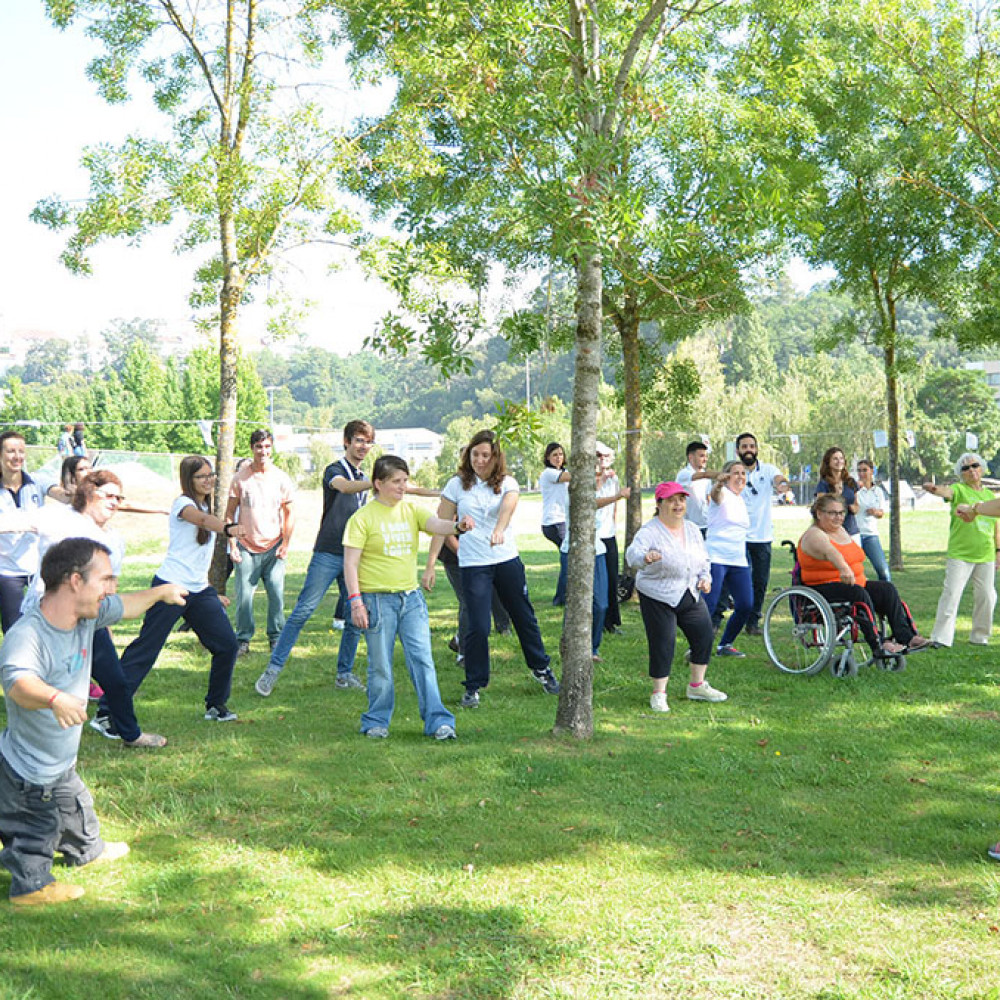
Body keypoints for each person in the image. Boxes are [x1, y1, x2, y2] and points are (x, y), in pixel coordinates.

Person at [0, 537, 186, 905]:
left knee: (76, 808)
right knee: (34, 829)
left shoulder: (88, 616)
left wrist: (160, 593)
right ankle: (32, 887)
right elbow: (18, 684)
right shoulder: (28, 634)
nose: (112, 589)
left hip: (60, 763)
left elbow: (126, 606)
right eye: (106, 579)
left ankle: (87, 850)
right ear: (74, 581)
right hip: (28, 772)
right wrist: (54, 698)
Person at [6, 470, 169, 748]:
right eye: (109, 495)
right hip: (47, 618)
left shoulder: (115, 541)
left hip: (87, 621)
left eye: (119, 497)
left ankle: (130, 734)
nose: (115, 502)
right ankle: (25, 743)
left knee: (115, 680)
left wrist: (104, 620)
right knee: (35, 681)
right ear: (89, 492)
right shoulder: (58, 517)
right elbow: (14, 521)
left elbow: (109, 591)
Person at [427, 430, 560, 708]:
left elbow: (508, 508)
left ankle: (541, 669)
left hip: (506, 559)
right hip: (474, 563)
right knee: (477, 625)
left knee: (523, 615)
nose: (480, 460)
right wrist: (430, 565)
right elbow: (440, 523)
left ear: (495, 457)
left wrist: (499, 530)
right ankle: (473, 685)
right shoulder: (456, 485)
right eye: (475, 454)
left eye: (486, 455)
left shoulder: (508, 482)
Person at [343, 455, 473, 740]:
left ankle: (438, 721)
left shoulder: (411, 510)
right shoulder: (362, 519)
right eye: (396, 482)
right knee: (380, 665)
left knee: (422, 660)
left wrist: (457, 527)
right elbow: (350, 564)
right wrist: (356, 602)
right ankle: (376, 721)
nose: (403, 487)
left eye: (405, 481)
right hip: (377, 601)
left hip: (411, 599)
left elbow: (436, 524)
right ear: (378, 483)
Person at [115, 456, 245, 723]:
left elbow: (197, 552)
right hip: (170, 587)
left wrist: (210, 592)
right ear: (189, 479)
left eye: (211, 475)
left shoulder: (204, 504)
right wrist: (229, 528)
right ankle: (108, 710)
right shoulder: (183, 504)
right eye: (202, 476)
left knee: (227, 646)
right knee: (147, 649)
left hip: (198, 590)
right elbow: (203, 521)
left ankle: (216, 705)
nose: (209, 480)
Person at [254, 421, 373, 696]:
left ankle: (344, 674)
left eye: (368, 442)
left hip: (353, 556)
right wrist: (377, 482)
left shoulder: (363, 475)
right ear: (346, 442)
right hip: (328, 553)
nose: (363, 447)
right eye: (358, 440)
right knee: (303, 611)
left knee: (356, 614)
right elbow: (343, 487)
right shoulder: (335, 470)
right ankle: (272, 670)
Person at [625, 482, 727, 712]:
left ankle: (697, 686)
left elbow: (704, 559)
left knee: (704, 635)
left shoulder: (691, 529)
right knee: (664, 641)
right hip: (657, 594)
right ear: (659, 504)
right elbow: (632, 555)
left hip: (689, 591)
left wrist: (706, 578)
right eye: (671, 500)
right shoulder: (650, 531)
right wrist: (645, 557)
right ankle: (659, 693)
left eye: (681, 499)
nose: (678, 504)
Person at [797, 493, 930, 657]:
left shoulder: (841, 530)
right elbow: (832, 552)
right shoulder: (814, 534)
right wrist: (844, 568)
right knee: (858, 593)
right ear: (819, 513)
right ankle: (878, 644)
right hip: (823, 588)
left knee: (886, 589)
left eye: (841, 513)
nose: (838, 517)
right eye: (832, 513)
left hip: (854, 584)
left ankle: (907, 637)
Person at [225, 428, 296, 656]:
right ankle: (243, 640)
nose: (263, 451)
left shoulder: (281, 478)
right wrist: (233, 545)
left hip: (274, 547)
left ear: (271, 447)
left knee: (276, 594)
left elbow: (289, 513)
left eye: (266, 446)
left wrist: (285, 543)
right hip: (246, 546)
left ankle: (276, 638)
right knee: (244, 597)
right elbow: (229, 515)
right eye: (258, 446)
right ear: (252, 448)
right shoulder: (240, 479)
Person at [924, 453, 998, 647]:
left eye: (974, 465)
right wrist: (935, 490)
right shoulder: (959, 489)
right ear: (960, 474)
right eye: (965, 468)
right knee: (952, 594)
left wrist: (998, 550)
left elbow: (997, 526)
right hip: (960, 554)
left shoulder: (990, 496)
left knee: (987, 596)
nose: (971, 470)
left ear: (981, 468)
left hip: (986, 554)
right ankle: (940, 638)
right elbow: (946, 492)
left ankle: (980, 636)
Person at [736, 432, 792, 636]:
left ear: (757, 449)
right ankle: (717, 619)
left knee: (760, 582)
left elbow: (779, 479)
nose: (748, 450)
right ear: (738, 450)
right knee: (733, 581)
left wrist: (782, 485)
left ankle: (752, 623)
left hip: (761, 537)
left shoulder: (768, 470)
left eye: (752, 446)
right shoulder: (734, 472)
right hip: (737, 537)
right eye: (744, 446)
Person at [0, 431, 51, 633]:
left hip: (38, 571)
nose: (17, 456)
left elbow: (61, 494)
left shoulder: (37, 481)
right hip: (7, 572)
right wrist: (23, 524)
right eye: (11, 451)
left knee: (46, 626)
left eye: (21, 451)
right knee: (15, 630)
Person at [704, 461, 754, 657]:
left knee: (745, 604)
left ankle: (725, 645)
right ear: (726, 476)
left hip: (738, 559)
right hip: (716, 556)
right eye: (735, 473)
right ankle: (698, 645)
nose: (740, 476)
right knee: (710, 603)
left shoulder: (741, 499)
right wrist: (718, 484)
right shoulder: (721, 492)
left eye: (743, 473)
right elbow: (715, 495)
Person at [596, 441, 624, 635]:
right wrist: (602, 479)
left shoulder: (614, 479)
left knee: (613, 578)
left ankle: (611, 622)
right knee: (599, 581)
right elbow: (592, 500)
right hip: (593, 536)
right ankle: (597, 619)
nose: (602, 459)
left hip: (608, 535)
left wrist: (613, 527)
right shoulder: (587, 478)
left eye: (605, 456)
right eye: (598, 455)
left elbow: (613, 508)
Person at [538, 442, 570, 606]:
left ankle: (563, 596)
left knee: (568, 557)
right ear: (547, 458)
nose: (558, 458)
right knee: (568, 557)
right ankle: (561, 598)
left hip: (562, 520)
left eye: (561, 454)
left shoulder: (561, 472)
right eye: (555, 455)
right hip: (554, 522)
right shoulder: (549, 473)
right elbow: (571, 477)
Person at [856, 459, 891, 582]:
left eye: (865, 470)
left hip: (871, 534)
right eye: (859, 470)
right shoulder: (854, 489)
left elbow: (881, 513)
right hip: (855, 534)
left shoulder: (878, 491)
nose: (862, 473)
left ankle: (888, 595)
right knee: (855, 570)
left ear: (871, 471)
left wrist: (875, 512)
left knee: (883, 570)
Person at [815, 447, 860, 540]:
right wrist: (837, 494)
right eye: (835, 459)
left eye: (841, 458)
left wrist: (852, 507)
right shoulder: (823, 484)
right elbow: (820, 508)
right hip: (832, 532)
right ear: (828, 462)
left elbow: (856, 506)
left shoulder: (850, 482)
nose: (839, 461)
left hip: (851, 530)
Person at [676, 440, 711, 536]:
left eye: (706, 456)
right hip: (688, 526)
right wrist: (718, 475)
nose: (705, 459)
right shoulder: (684, 474)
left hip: (706, 525)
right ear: (691, 457)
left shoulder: (706, 478)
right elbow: (697, 476)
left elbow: (708, 499)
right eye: (701, 456)